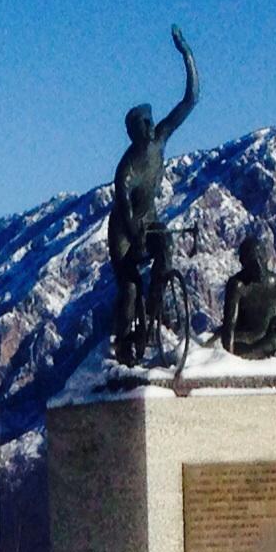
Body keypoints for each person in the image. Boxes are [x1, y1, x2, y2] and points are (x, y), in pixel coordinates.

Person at [110, 26, 199, 364]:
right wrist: (139, 242)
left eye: (149, 121)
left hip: (148, 219)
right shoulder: (127, 171)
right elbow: (127, 215)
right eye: (142, 125)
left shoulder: (161, 139)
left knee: (167, 252)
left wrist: (186, 54)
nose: (150, 127)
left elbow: (191, 99)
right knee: (130, 287)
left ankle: (158, 308)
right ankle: (123, 340)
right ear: (132, 134)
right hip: (124, 230)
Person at [221, 234, 276, 358]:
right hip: (243, 342)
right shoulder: (237, 285)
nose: (258, 265)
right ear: (244, 263)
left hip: (268, 341)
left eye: (260, 259)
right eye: (253, 261)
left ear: (266, 259)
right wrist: (229, 357)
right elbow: (230, 324)